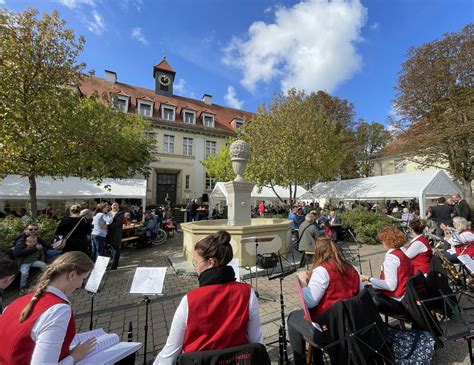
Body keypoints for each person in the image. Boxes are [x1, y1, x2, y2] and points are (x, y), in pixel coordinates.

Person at [154, 231, 264, 364]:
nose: (195, 267)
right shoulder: (247, 293)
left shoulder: (189, 300)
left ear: (211, 262)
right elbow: (255, 341)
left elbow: (170, 353)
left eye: (196, 262)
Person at [0, 252, 96, 364]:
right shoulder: (58, 310)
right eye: (83, 279)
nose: (80, 285)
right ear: (72, 275)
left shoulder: (16, 302)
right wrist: (74, 357)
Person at [287, 237, 362, 365]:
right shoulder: (352, 268)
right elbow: (360, 294)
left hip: (329, 329)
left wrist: (303, 281)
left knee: (293, 317)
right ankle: (317, 359)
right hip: (351, 324)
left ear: (318, 252)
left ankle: (300, 361)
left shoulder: (322, 271)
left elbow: (310, 302)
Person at [361, 227, 413, 316]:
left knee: (364, 295)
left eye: (383, 240)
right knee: (368, 288)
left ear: (388, 241)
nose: (382, 242)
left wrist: (368, 278)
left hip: (399, 300)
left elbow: (391, 286)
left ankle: (374, 326)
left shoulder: (391, 258)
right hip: (407, 295)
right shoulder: (401, 253)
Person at [13, 224, 48, 293]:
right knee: (24, 273)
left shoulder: (37, 238)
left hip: (34, 261)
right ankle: (22, 287)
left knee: (44, 265)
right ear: (26, 230)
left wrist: (43, 249)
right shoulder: (22, 240)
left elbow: (44, 249)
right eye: (31, 229)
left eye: (35, 229)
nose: (33, 230)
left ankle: (45, 279)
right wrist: (34, 248)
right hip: (25, 263)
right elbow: (17, 254)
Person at [106, 202, 124, 270]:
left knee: (116, 248)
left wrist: (108, 226)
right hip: (108, 234)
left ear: (118, 207)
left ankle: (114, 265)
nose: (115, 206)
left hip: (116, 234)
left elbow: (118, 223)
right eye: (113, 205)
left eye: (116, 205)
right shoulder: (108, 213)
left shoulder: (120, 213)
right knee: (112, 249)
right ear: (111, 206)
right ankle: (111, 262)